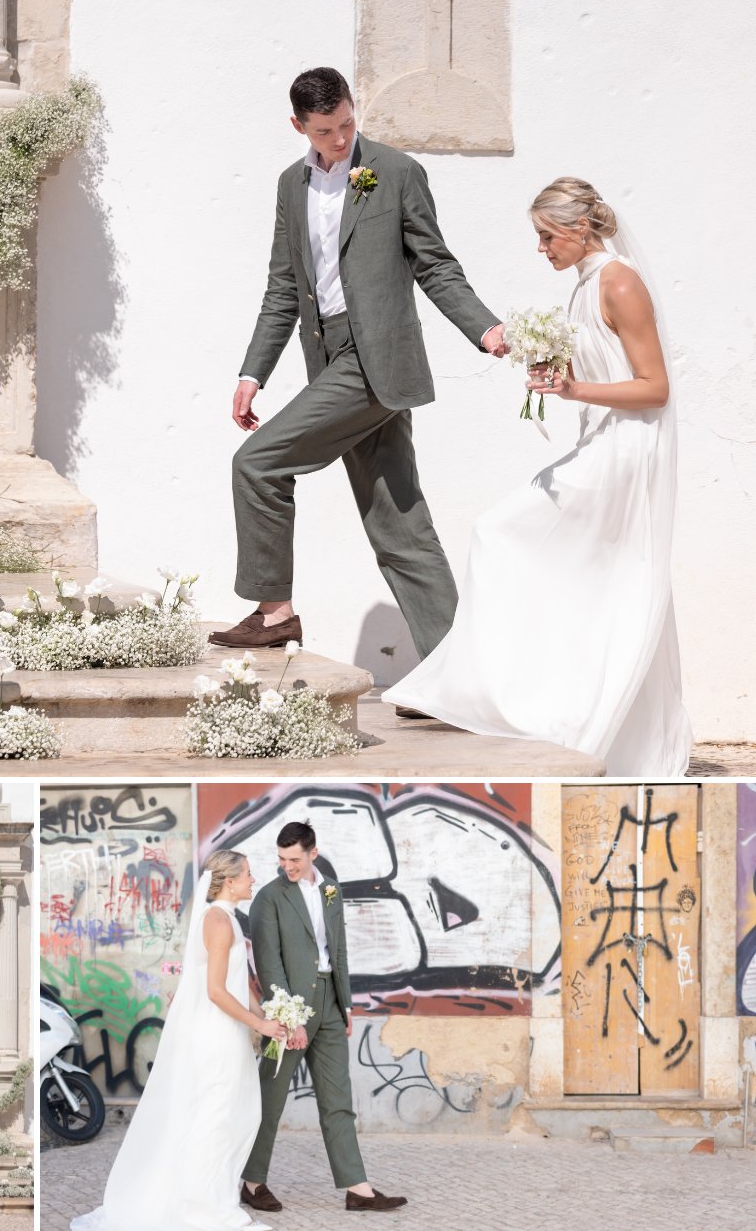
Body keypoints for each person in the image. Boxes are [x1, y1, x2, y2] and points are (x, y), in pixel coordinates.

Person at [382, 178, 692, 775]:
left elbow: (655, 388)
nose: (541, 248)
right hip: (603, 441)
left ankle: (520, 697)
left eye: (547, 236)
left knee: (502, 533)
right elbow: (605, 364)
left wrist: (574, 387)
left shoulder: (619, 280)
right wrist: (551, 363)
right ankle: (567, 701)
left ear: (580, 229)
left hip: (625, 452)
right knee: (596, 581)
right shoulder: (584, 286)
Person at [212, 66, 504, 655]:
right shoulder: (289, 188)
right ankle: (459, 668)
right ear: (299, 126)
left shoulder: (395, 172)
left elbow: (435, 264)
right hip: (331, 358)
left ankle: (274, 614)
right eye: (325, 131)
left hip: (376, 361)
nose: (341, 139)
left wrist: (485, 328)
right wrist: (252, 372)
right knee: (398, 522)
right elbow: (284, 289)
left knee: (258, 463)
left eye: (347, 123)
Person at [71, 850, 288, 1231]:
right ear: (230, 881)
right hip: (216, 1036)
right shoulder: (218, 922)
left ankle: (212, 1193)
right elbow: (216, 992)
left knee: (237, 1113)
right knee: (217, 1117)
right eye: (249, 874)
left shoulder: (232, 920)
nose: (254, 880)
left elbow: (239, 983)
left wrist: (265, 1013)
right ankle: (202, 1205)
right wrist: (259, 1024)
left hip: (230, 1033)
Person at [242, 821, 406, 1215]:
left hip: (330, 1006)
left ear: (313, 853)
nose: (287, 867)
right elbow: (269, 966)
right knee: (270, 1096)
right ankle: (251, 1181)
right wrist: (291, 1018)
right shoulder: (267, 898)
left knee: (338, 1100)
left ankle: (358, 1189)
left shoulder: (332, 889)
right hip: (289, 1012)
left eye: (294, 859)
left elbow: (340, 950)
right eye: (281, 859)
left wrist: (345, 1005)